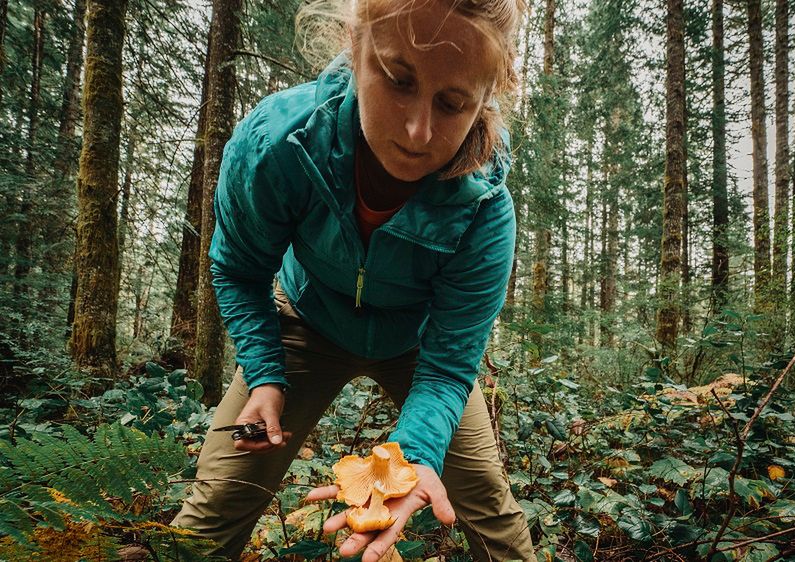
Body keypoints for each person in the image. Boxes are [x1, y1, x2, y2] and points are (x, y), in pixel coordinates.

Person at [170, 1, 536, 561]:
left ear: (488, 94)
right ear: (354, 43)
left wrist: (414, 458)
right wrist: (265, 375)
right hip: (301, 325)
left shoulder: (484, 207)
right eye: (398, 80)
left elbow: (448, 366)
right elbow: (240, 269)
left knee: (485, 498)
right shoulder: (277, 144)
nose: (418, 130)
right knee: (220, 487)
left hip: (419, 353)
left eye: (452, 102)